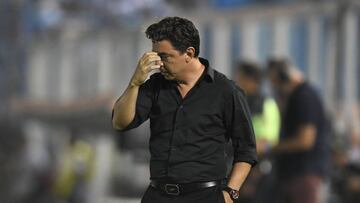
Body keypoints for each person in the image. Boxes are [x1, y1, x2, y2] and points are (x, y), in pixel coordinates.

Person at [112, 16, 257, 203]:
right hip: (158, 195)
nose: (159, 64)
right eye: (156, 57)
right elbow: (120, 122)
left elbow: (246, 150)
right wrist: (135, 83)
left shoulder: (226, 91)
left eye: (165, 57)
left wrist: (231, 193)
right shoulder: (155, 85)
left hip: (206, 196)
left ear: (189, 53)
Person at [266, 58, 330, 203]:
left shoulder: (304, 96)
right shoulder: (297, 96)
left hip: (303, 174)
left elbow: (305, 140)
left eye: (276, 83)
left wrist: (272, 147)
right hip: (294, 173)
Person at [234, 61, 280, 203]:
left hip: (258, 172)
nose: (235, 80)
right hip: (237, 170)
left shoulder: (266, 105)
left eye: (239, 77)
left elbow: (267, 143)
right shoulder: (238, 101)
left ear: (250, 80)